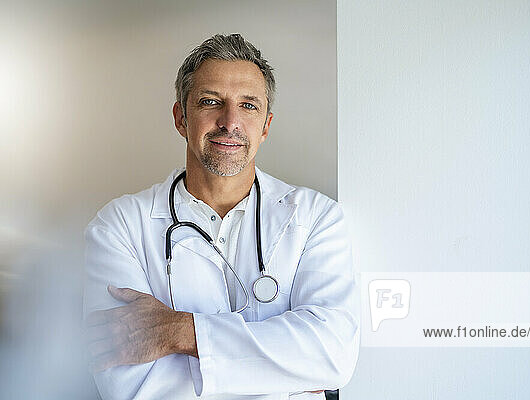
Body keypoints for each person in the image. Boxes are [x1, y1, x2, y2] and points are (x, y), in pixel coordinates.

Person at [84, 33, 359, 400]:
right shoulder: (118, 226)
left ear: (266, 125)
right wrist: (286, 374)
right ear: (181, 118)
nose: (230, 121)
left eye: (248, 106)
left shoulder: (318, 218)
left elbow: (332, 355)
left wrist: (178, 332)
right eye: (211, 102)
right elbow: (135, 389)